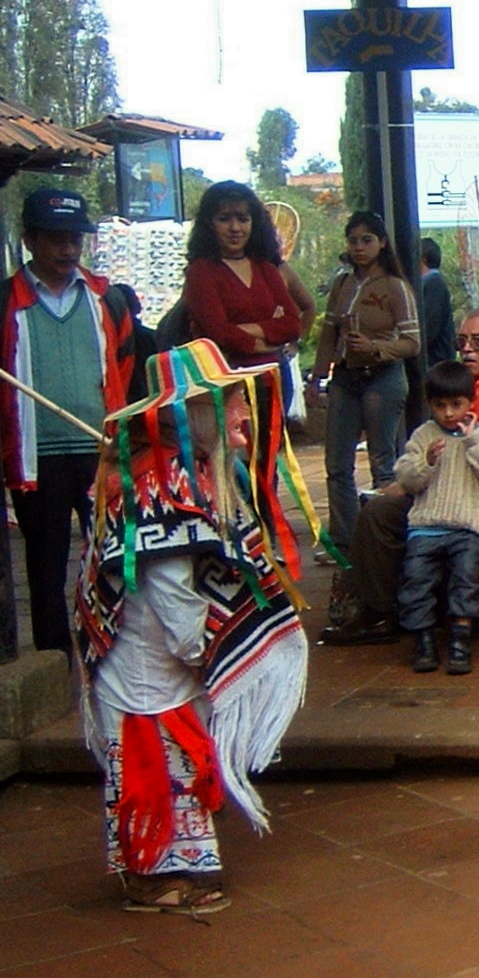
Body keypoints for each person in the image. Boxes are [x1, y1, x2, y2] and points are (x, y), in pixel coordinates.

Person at [76, 340, 311, 914]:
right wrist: (203, 650)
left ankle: (170, 867)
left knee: (177, 769)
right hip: (148, 672)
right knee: (154, 773)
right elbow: (171, 593)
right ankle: (151, 875)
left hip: (159, 668)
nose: (243, 415)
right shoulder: (160, 488)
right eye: (230, 402)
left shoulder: (187, 475)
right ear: (194, 414)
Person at [320, 308, 479, 646]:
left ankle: (381, 612)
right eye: (462, 341)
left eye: (478, 342)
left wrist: (408, 484)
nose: (467, 349)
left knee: (378, 513)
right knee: (390, 496)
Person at [1, 188, 135, 653]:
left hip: (98, 451)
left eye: (74, 239)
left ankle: (117, 653)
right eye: (56, 239)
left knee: (116, 559)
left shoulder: (105, 300)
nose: (67, 249)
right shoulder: (7, 303)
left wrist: (120, 438)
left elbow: (124, 368)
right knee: (45, 567)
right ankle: (56, 665)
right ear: (31, 240)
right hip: (37, 461)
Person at [311, 211, 421, 549]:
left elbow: (412, 342)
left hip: (382, 377)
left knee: (382, 460)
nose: (359, 248)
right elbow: (328, 334)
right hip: (345, 377)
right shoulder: (343, 284)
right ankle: (344, 539)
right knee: (337, 463)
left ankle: (383, 536)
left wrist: (376, 347)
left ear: (382, 243)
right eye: (353, 241)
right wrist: (316, 377)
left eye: (367, 240)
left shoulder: (394, 286)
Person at [394, 360, 479, 677]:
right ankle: (424, 639)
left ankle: (461, 639)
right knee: (416, 578)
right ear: (430, 404)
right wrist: (426, 462)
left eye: (456, 404)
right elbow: (406, 479)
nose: (448, 413)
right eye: (440, 405)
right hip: (427, 526)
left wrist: (472, 440)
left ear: (470, 402)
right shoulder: (423, 435)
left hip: (469, 526)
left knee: (467, 576)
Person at [178, 182, 301, 404]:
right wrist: (268, 341)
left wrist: (243, 330)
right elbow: (218, 333)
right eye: (224, 219)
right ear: (209, 224)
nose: (235, 228)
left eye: (243, 219)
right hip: (227, 384)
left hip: (274, 381)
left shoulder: (265, 268)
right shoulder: (201, 271)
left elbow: (292, 325)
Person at [417, 237, 458, 367]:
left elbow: (430, 324)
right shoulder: (429, 282)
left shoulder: (433, 283)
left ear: (422, 258)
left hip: (436, 359)